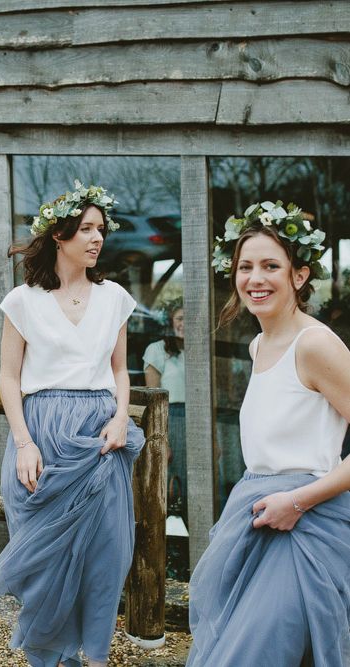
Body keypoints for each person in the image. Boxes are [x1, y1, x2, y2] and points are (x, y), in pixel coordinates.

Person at [0, 181, 145, 667]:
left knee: (105, 553)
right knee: (46, 564)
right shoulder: (23, 301)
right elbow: (8, 377)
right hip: (42, 435)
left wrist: (119, 417)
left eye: (101, 230)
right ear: (59, 236)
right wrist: (24, 443)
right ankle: (48, 659)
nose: (97, 239)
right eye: (86, 229)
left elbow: (118, 371)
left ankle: (93, 656)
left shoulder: (113, 298)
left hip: (99, 438)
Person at [188, 201, 350, 665]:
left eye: (270, 266)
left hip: (308, 524)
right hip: (256, 513)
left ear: (299, 276)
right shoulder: (260, 343)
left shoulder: (315, 344)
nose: (255, 279)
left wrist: (296, 502)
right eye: (246, 267)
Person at [143, 298, 186, 521]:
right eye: (180, 318)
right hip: (171, 421)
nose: (184, 323)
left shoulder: (198, 351)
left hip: (197, 421)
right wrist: (163, 440)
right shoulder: (156, 350)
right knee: (173, 488)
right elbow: (155, 403)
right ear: (170, 321)